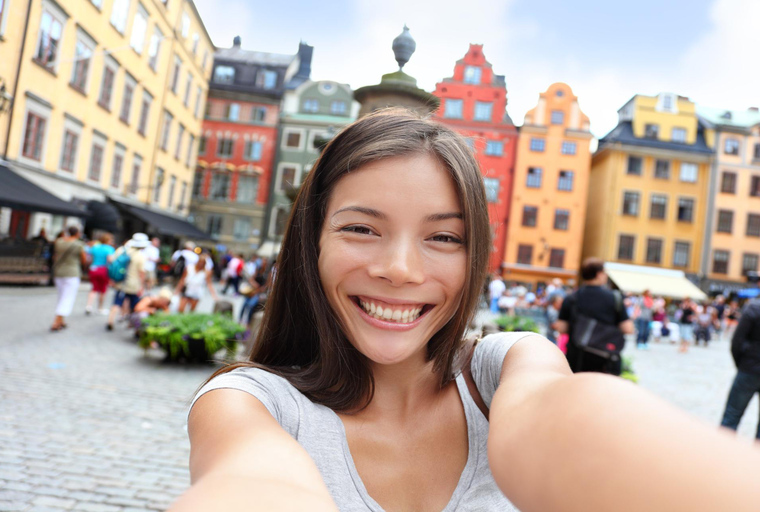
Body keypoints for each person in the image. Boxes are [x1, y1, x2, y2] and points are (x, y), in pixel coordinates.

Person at [174, 110, 760, 512]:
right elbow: (251, 483)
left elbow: (569, 423)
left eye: (444, 238)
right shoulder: (252, 405)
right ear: (312, 242)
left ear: (475, 253)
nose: (400, 268)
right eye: (360, 228)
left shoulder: (505, 372)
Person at [555, 257, 634, 375]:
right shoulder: (614, 298)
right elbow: (628, 329)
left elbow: (561, 328)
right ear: (599, 274)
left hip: (577, 357)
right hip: (606, 358)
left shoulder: (572, 298)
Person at [721, 297, 760, 438]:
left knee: (731, 416)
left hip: (749, 369)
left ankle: (721, 455)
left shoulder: (754, 308)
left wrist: (742, 364)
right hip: (749, 367)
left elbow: (737, 341)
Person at [106, 233, 148, 331]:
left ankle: (110, 321)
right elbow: (142, 273)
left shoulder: (122, 250)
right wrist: (142, 286)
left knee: (116, 302)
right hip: (133, 284)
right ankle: (133, 324)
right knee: (135, 305)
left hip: (120, 282)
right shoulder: (140, 256)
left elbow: (112, 262)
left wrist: (113, 278)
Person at [49, 226, 86, 331]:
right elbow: (83, 259)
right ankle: (56, 321)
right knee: (67, 298)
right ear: (77, 233)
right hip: (72, 273)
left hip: (58, 272)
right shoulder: (78, 244)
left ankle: (61, 320)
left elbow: (55, 255)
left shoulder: (59, 241)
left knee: (61, 296)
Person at [85, 233, 115, 315]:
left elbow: (89, 259)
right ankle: (100, 308)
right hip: (103, 270)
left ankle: (89, 306)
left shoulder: (94, 247)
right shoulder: (109, 249)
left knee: (94, 288)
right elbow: (110, 260)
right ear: (107, 240)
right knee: (103, 290)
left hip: (93, 269)